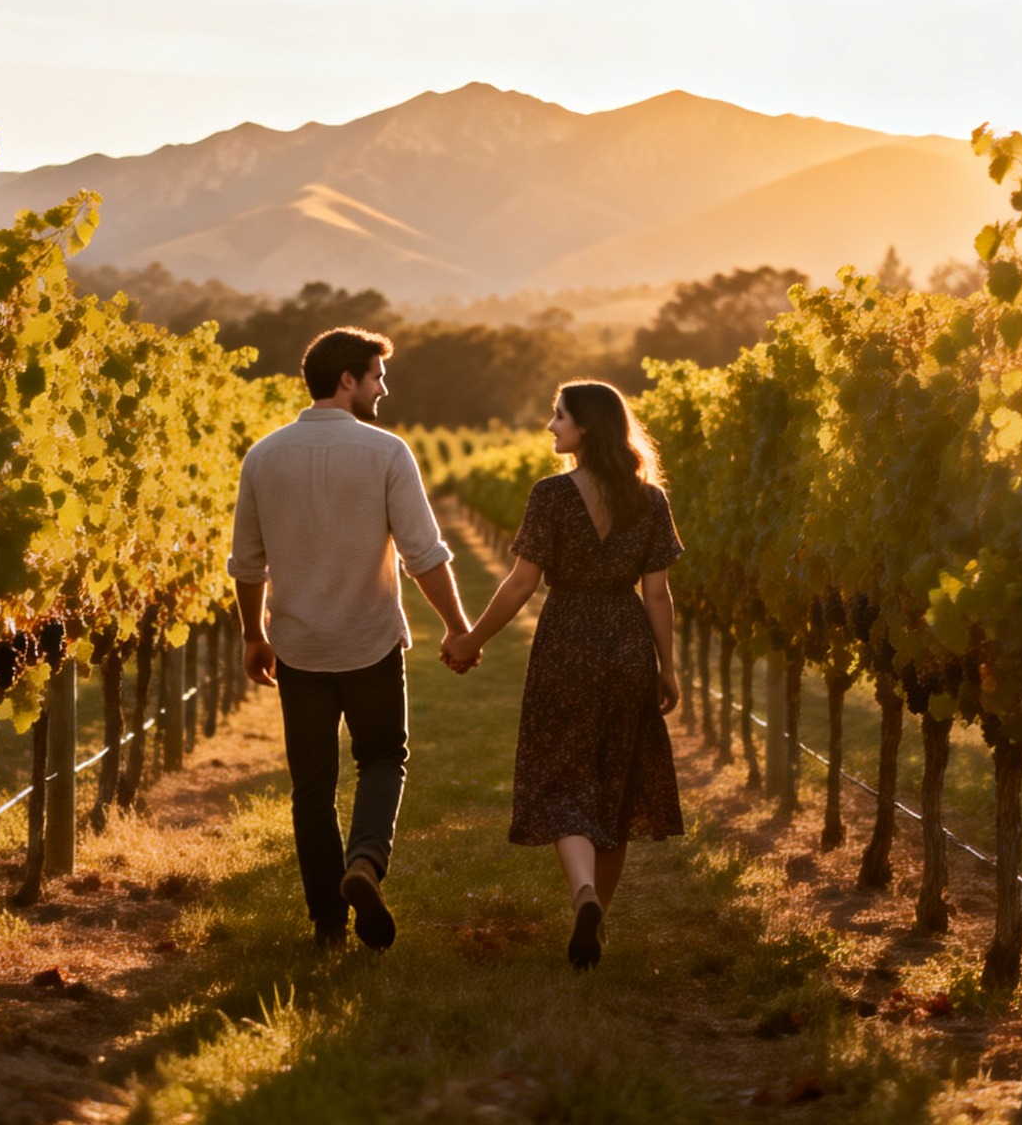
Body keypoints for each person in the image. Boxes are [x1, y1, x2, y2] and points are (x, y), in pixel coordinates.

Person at [228, 326, 474, 951]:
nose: (383, 389)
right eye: (376, 377)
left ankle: (328, 925)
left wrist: (254, 636)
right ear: (347, 381)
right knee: (383, 759)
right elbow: (424, 555)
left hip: (299, 648)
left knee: (311, 786)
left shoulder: (262, 456)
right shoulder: (387, 453)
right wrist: (456, 626)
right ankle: (364, 862)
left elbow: (247, 563)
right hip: (368, 640)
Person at [441, 380, 684, 969]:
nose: (551, 426)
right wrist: (666, 667)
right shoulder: (648, 500)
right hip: (626, 640)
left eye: (559, 416)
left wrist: (472, 637)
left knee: (562, 778)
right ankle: (598, 915)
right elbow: (657, 595)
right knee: (615, 783)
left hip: (565, 640)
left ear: (586, 427)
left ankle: (582, 896)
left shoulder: (550, 495)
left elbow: (522, 583)